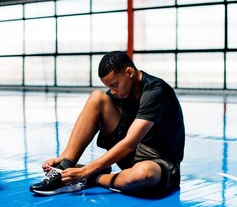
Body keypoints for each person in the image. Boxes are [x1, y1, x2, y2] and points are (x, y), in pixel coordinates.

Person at [30, 51, 185, 197]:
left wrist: (85, 172)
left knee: (142, 175)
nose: (113, 91)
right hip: (131, 156)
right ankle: (63, 169)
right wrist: (64, 157)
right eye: (109, 86)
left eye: (114, 84)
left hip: (159, 162)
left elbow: (129, 144)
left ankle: (93, 178)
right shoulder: (121, 91)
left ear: (129, 73)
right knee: (97, 97)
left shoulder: (156, 90)